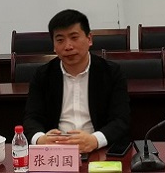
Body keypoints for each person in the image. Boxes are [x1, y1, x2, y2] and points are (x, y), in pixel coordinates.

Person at [23, 9, 131, 153]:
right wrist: (41, 139)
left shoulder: (111, 72)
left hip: (98, 150)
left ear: (89, 39)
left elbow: (121, 119)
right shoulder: (42, 75)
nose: (68, 46)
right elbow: (31, 118)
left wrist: (95, 140)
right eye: (60, 40)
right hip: (56, 152)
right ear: (54, 45)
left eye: (74, 37)